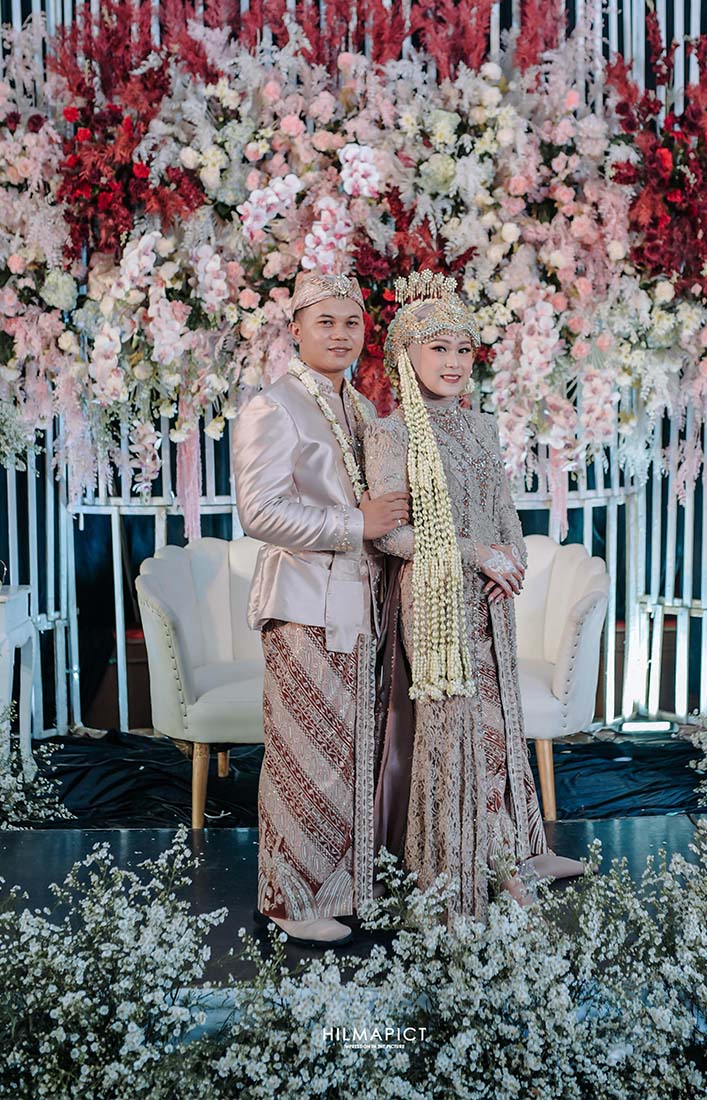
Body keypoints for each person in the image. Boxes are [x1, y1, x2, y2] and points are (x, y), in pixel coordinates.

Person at [363, 269, 583, 923]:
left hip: (491, 597)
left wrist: (512, 556)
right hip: (436, 599)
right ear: (406, 355)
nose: (454, 362)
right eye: (439, 349)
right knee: (457, 730)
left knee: (500, 724)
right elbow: (392, 534)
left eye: (463, 349)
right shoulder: (390, 433)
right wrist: (474, 554)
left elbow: (503, 509)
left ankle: (521, 847)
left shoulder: (481, 427)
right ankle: (474, 864)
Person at [231, 269, 409, 946]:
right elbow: (260, 512)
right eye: (325, 322)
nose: (340, 334)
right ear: (296, 330)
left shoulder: (357, 406)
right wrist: (354, 523)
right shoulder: (274, 408)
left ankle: (345, 889)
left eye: (351, 322)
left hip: (361, 603)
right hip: (304, 604)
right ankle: (288, 899)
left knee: (350, 752)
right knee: (304, 756)